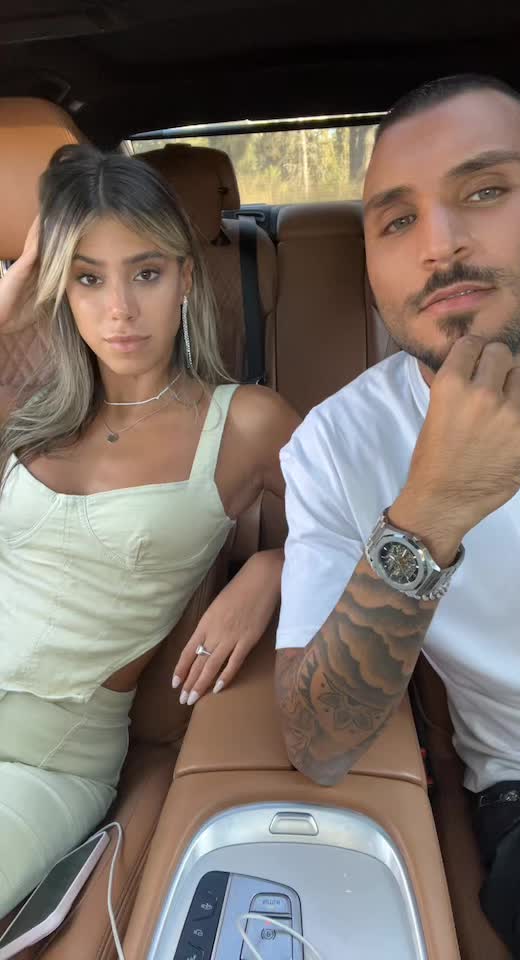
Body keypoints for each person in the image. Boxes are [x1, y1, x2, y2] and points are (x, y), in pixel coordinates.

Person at [275, 75, 520, 958]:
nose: (438, 245)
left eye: (486, 191)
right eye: (395, 221)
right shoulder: (336, 446)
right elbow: (318, 742)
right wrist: (429, 514)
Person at [0, 143, 299, 918]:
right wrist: (14, 291)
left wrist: (273, 568)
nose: (119, 310)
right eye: (87, 279)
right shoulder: (28, 413)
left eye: (146, 273)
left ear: (186, 278)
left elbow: (373, 537)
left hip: (43, 761)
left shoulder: (245, 422)